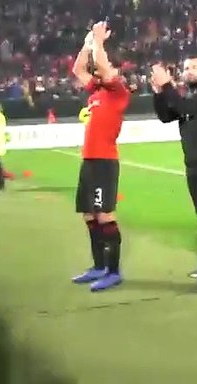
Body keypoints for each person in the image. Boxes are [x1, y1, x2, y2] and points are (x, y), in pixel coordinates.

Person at [151, 56, 197, 283]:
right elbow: (167, 116)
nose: (189, 71)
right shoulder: (190, 94)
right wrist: (158, 93)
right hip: (193, 161)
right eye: (186, 68)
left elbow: (183, 107)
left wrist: (167, 86)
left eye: (194, 67)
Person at [69, 21, 130, 293]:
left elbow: (104, 68)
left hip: (105, 162)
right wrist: (87, 42)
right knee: (89, 214)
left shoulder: (118, 92)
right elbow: (77, 69)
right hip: (89, 161)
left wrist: (99, 42)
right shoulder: (96, 92)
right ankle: (98, 266)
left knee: (104, 215)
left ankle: (113, 271)